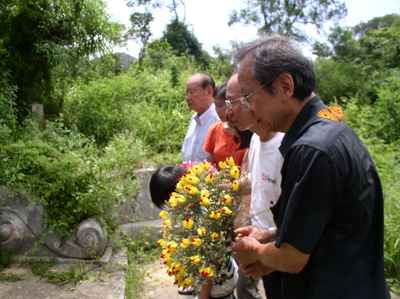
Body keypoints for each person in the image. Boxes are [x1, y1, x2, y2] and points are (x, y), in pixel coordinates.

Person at [232, 35, 390, 299]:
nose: (247, 107)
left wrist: (255, 251)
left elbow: (292, 258)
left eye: (248, 96)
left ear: (285, 85)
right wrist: (271, 235)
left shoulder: (312, 150)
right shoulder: (331, 129)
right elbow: (327, 225)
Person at [226, 73, 284, 299]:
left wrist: (269, 236)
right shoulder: (255, 139)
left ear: (255, 99)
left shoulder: (289, 146)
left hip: (287, 249)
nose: (228, 112)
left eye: (233, 102)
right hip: (263, 247)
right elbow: (251, 188)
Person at [149, 165, 238, 299]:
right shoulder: (204, 202)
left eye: (166, 204)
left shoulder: (198, 220)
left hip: (215, 288)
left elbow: (207, 266)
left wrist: (202, 296)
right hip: (224, 280)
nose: (167, 209)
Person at [203, 83, 249, 167]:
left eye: (221, 105)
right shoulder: (214, 129)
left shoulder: (247, 129)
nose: (218, 110)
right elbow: (209, 163)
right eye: (216, 106)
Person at [182, 73, 220, 162]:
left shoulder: (218, 120)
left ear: (209, 91)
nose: (188, 97)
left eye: (192, 92)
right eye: (187, 93)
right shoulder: (194, 119)